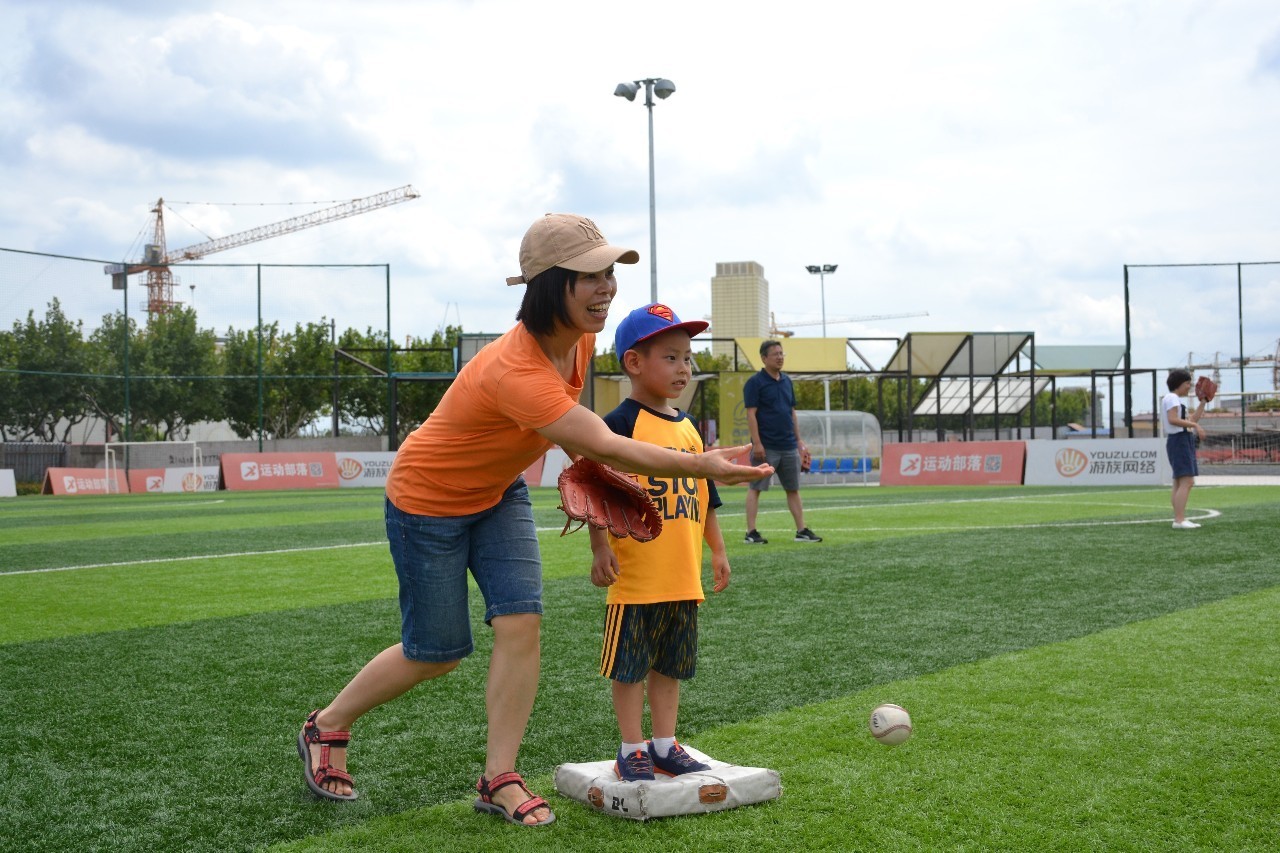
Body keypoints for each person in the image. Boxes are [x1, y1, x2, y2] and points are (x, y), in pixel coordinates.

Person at [296, 214, 773, 826]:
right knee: (436, 652)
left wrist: (594, 464)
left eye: (609, 273)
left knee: (521, 624)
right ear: (550, 285)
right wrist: (702, 466)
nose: (606, 287)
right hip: (428, 503)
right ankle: (327, 725)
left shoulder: (579, 338)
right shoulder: (513, 369)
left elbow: (575, 430)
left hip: (498, 495)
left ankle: (500, 777)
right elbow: (609, 443)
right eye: (590, 276)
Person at [587, 303, 727, 782]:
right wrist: (599, 547)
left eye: (687, 358)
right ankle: (632, 748)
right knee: (629, 668)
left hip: (682, 575)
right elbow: (596, 492)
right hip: (636, 577)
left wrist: (718, 550)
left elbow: (704, 495)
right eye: (671, 357)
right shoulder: (618, 425)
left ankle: (665, 745)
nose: (684, 368)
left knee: (670, 665)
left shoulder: (688, 429)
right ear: (633, 363)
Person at [742, 339, 821, 544]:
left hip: (788, 446)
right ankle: (751, 532)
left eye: (781, 353)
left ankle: (801, 530)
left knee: (793, 489)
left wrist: (799, 441)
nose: (779, 357)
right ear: (764, 358)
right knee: (756, 487)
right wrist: (757, 443)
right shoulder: (755, 383)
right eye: (775, 354)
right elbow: (751, 414)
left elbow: (791, 413)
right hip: (766, 446)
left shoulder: (787, 381)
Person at [1161, 368, 1206, 529]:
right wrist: (1195, 426)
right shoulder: (1172, 398)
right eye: (1187, 383)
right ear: (1179, 383)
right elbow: (1173, 419)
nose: (1189, 386)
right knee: (1187, 481)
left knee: (1179, 483)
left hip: (1180, 440)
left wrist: (1203, 402)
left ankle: (1179, 518)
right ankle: (1179, 520)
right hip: (1179, 440)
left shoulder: (1174, 399)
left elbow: (1190, 419)